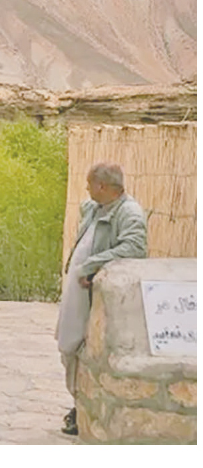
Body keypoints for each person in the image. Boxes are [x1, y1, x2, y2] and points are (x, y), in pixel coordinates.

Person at [56, 162, 147, 436]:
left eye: (90, 184)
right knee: (69, 344)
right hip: (78, 294)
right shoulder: (95, 208)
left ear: (103, 186)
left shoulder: (129, 213)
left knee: (83, 348)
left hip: (96, 298)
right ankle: (78, 403)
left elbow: (134, 247)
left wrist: (94, 266)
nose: (86, 188)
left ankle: (80, 408)